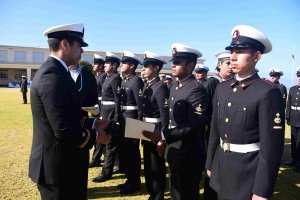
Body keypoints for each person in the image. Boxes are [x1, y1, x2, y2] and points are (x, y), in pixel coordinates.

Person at [28, 23, 111, 200]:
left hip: (65, 163)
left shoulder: (59, 73)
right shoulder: (52, 77)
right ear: (64, 44)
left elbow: (69, 114)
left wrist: (94, 122)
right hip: (57, 169)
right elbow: (63, 128)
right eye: (79, 46)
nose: (81, 51)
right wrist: (97, 136)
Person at [206, 25, 285, 200]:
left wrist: (261, 189)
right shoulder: (222, 88)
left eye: (240, 51)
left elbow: (271, 148)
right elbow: (215, 130)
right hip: (222, 166)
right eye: (232, 51)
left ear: (257, 56)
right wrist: (211, 163)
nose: (233, 56)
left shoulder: (267, 92)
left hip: (247, 173)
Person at [143, 43, 207, 200]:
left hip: (188, 152)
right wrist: (165, 141)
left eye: (177, 63)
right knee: (175, 191)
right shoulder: (175, 87)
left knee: (186, 193)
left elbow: (193, 125)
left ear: (191, 65)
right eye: (173, 62)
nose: (173, 65)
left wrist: (163, 136)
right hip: (174, 149)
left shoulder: (196, 88)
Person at [141, 51, 169, 200]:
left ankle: (158, 195)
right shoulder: (148, 86)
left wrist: (162, 139)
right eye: (143, 66)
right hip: (146, 129)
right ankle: (152, 192)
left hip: (156, 130)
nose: (144, 69)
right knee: (148, 164)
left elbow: (165, 117)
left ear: (156, 68)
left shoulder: (161, 87)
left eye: (147, 66)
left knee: (156, 165)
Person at [92, 51, 122, 182]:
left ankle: (106, 173)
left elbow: (117, 100)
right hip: (104, 112)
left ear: (114, 65)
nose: (104, 65)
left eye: (108, 63)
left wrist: (116, 118)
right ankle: (116, 166)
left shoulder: (115, 78)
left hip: (110, 115)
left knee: (110, 144)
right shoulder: (108, 77)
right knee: (106, 143)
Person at [117, 50, 144, 194]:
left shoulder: (136, 81)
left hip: (132, 120)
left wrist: (138, 130)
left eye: (124, 62)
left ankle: (135, 182)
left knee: (132, 153)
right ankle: (129, 179)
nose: (121, 65)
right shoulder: (125, 80)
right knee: (125, 152)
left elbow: (141, 107)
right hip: (124, 118)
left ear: (132, 65)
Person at [89, 53, 107, 168]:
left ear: (101, 65)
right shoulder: (97, 76)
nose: (93, 65)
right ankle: (100, 157)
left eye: (95, 63)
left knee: (100, 132)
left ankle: (96, 158)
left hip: (101, 107)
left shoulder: (104, 76)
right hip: (96, 106)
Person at [285, 67, 300, 173]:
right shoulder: (293, 89)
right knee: (294, 141)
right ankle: (294, 160)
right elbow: (289, 104)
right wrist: (287, 117)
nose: (299, 78)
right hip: (294, 118)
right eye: (298, 76)